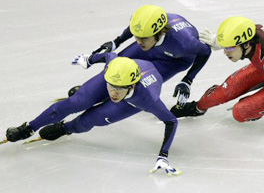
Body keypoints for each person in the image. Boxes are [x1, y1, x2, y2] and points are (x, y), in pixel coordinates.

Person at [5, 53, 181, 176]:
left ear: (132, 86)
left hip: (132, 100)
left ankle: (65, 128)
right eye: (111, 86)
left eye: (118, 89)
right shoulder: (113, 68)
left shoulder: (148, 99)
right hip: (118, 73)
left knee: (91, 119)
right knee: (75, 103)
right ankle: (29, 128)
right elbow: (109, 55)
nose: (113, 92)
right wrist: (89, 59)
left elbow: (171, 121)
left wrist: (163, 156)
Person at [72, 4, 211, 107]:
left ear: (159, 32)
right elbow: (135, 28)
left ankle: (104, 99)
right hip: (155, 47)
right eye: (137, 37)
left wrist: (188, 80)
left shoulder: (186, 43)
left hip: (175, 60)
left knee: (139, 82)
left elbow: (206, 51)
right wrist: (116, 42)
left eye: (142, 38)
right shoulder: (146, 26)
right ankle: (93, 90)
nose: (138, 42)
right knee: (118, 64)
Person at [171, 16, 264, 122]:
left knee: (240, 112)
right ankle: (196, 108)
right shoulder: (251, 35)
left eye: (230, 48)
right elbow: (245, 28)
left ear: (246, 45)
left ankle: (256, 103)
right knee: (221, 94)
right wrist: (220, 41)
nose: (225, 52)